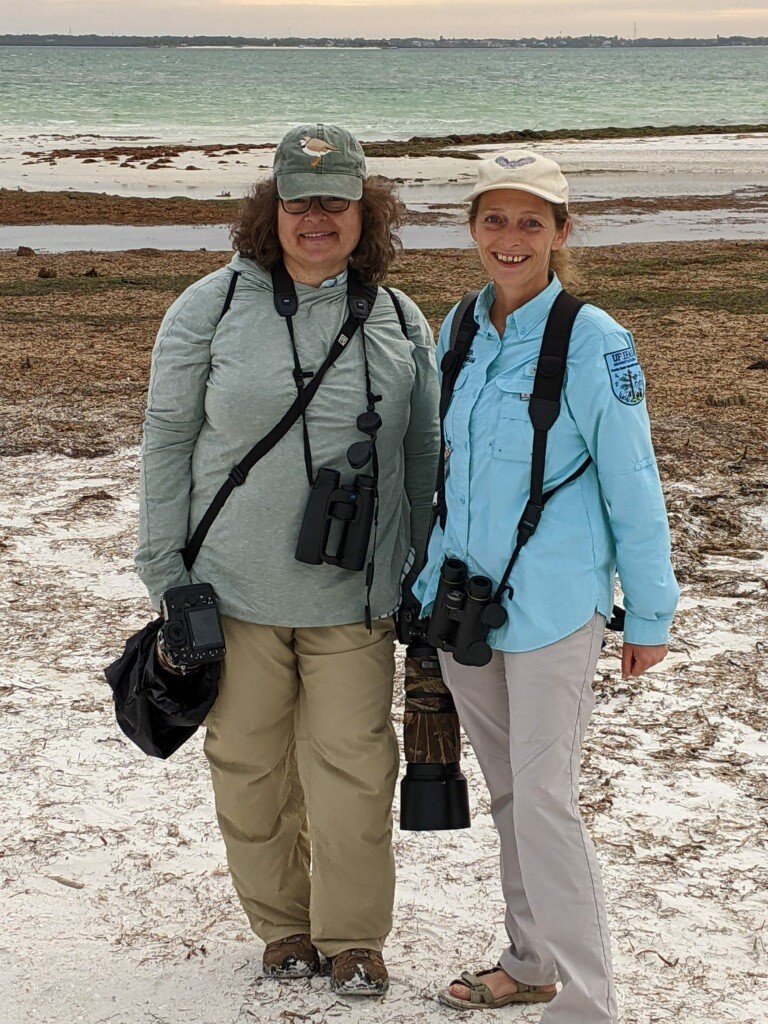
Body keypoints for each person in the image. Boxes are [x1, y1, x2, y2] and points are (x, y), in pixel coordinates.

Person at [134, 123, 440, 996]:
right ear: (269, 210)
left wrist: (420, 570)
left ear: (365, 212)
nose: (317, 218)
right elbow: (166, 441)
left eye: (336, 202)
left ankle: (352, 937)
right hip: (229, 592)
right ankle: (284, 929)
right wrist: (165, 568)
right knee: (250, 768)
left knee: (352, 770)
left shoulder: (395, 315)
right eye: (299, 201)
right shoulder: (210, 307)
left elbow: (421, 456)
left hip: (355, 597)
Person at [412, 150, 679, 1022]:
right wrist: (424, 587)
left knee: (547, 805)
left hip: (557, 610)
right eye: (495, 219)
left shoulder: (595, 338)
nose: (511, 238)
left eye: (532, 221)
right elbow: (451, 474)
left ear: (563, 234)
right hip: (465, 609)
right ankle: (529, 964)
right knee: (509, 797)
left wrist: (650, 610)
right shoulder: (457, 326)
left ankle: (587, 1003)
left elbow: (632, 480)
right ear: (473, 230)